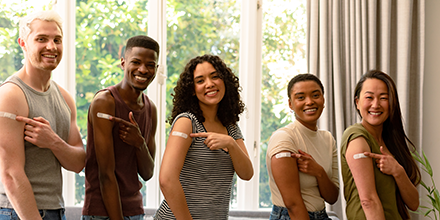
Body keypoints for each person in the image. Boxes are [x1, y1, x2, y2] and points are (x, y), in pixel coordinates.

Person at [0, 10, 86, 220]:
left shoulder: (64, 98)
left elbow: (78, 162)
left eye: (57, 39)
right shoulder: (11, 95)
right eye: (41, 39)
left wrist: (53, 141)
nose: (51, 46)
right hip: (17, 212)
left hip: (56, 211)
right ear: (23, 43)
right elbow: (11, 174)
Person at [154, 54, 253, 219]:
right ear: (192, 90)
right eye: (200, 81)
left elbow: (247, 174)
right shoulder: (187, 122)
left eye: (215, 77)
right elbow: (167, 180)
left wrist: (231, 144)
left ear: (225, 82)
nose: (210, 84)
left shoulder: (230, 127)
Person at [81, 35, 159, 220]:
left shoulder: (151, 109)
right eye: (136, 62)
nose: (143, 69)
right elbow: (105, 174)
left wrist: (139, 143)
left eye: (150, 65)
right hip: (102, 213)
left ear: (156, 69)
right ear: (123, 63)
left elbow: (147, 173)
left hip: (135, 211)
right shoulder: (105, 102)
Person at [340, 70, 420, 220]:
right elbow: (368, 201)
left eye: (383, 98)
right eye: (369, 97)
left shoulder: (390, 141)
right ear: (357, 102)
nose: (376, 105)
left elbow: (414, 203)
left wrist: (397, 170)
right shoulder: (357, 137)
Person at [266, 73, 339, 220]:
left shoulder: (327, 138)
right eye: (301, 97)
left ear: (323, 99)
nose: (309, 102)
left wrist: (319, 172)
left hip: (322, 215)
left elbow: (332, 197)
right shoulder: (284, 138)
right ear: (290, 104)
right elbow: (292, 204)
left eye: (315, 95)